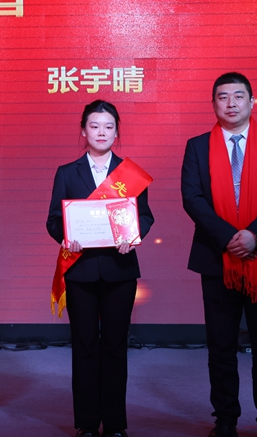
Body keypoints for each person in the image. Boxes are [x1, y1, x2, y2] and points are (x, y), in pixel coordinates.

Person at [181, 72, 257, 437]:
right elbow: (193, 199)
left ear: (251, 101)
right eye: (223, 97)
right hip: (217, 258)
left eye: (238, 96)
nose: (231, 103)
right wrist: (230, 237)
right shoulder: (197, 146)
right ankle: (225, 419)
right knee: (221, 347)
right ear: (213, 104)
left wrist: (255, 235)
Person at [46, 100, 154, 437]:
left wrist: (132, 236)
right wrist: (68, 237)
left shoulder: (130, 173)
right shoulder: (67, 172)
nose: (102, 132)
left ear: (117, 132)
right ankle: (88, 423)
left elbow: (145, 216)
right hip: (80, 271)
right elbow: (53, 220)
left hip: (120, 270)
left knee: (115, 346)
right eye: (94, 126)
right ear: (83, 130)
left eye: (108, 127)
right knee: (85, 346)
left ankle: (116, 424)